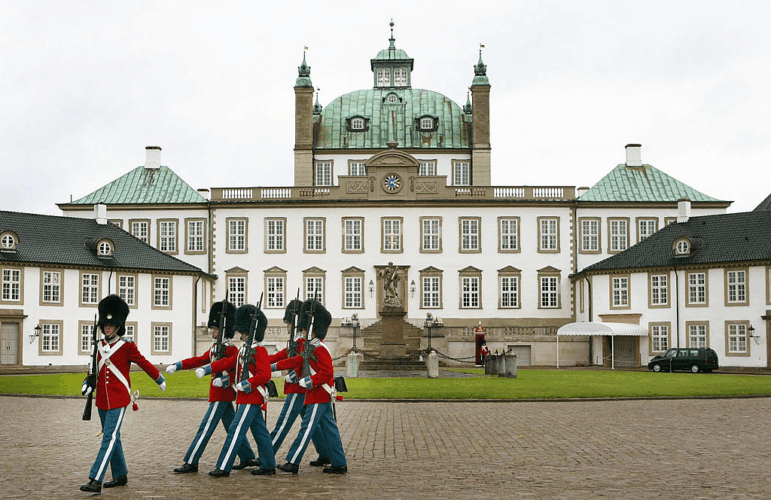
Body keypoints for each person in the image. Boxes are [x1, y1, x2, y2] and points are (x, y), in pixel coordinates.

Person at [79, 295, 166, 494]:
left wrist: (158, 378)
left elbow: (142, 362)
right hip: (101, 399)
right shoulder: (98, 346)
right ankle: (120, 475)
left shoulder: (126, 346)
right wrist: (87, 383)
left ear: (119, 326)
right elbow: (93, 371)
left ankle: (95, 479)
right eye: (105, 325)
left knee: (108, 438)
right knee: (114, 438)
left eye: (111, 325)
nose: (108, 328)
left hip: (119, 399)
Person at [165, 300, 258, 473]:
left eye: (215, 329)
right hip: (219, 395)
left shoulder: (231, 349)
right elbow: (199, 360)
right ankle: (247, 456)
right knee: (231, 426)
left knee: (205, 428)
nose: (213, 332)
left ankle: (192, 461)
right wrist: (177, 365)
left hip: (222, 394)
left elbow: (236, 371)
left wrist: (224, 381)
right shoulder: (215, 347)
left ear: (223, 330)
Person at [274, 300, 347, 475]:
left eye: (305, 329)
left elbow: (327, 372)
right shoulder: (311, 347)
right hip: (318, 393)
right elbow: (297, 360)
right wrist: (274, 366)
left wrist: (310, 381)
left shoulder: (319, 348)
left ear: (313, 329)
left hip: (318, 393)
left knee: (306, 429)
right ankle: (339, 462)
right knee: (330, 429)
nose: (302, 331)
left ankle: (293, 461)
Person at [205, 304, 276, 477]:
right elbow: (229, 363)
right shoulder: (245, 348)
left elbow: (265, 374)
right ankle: (268, 465)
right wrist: (209, 369)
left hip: (251, 396)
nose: (240, 333)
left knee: (236, 431)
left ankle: (223, 466)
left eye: (243, 330)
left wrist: (249, 383)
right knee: (260, 432)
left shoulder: (259, 350)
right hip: (246, 396)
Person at [267, 299, 330, 467]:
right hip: (303, 386)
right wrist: (265, 361)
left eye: (288, 323)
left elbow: (299, 361)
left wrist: (291, 374)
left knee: (283, 423)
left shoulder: (303, 340)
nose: (287, 327)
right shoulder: (298, 339)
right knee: (314, 425)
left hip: (299, 387)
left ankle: (267, 453)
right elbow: (283, 354)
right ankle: (325, 452)